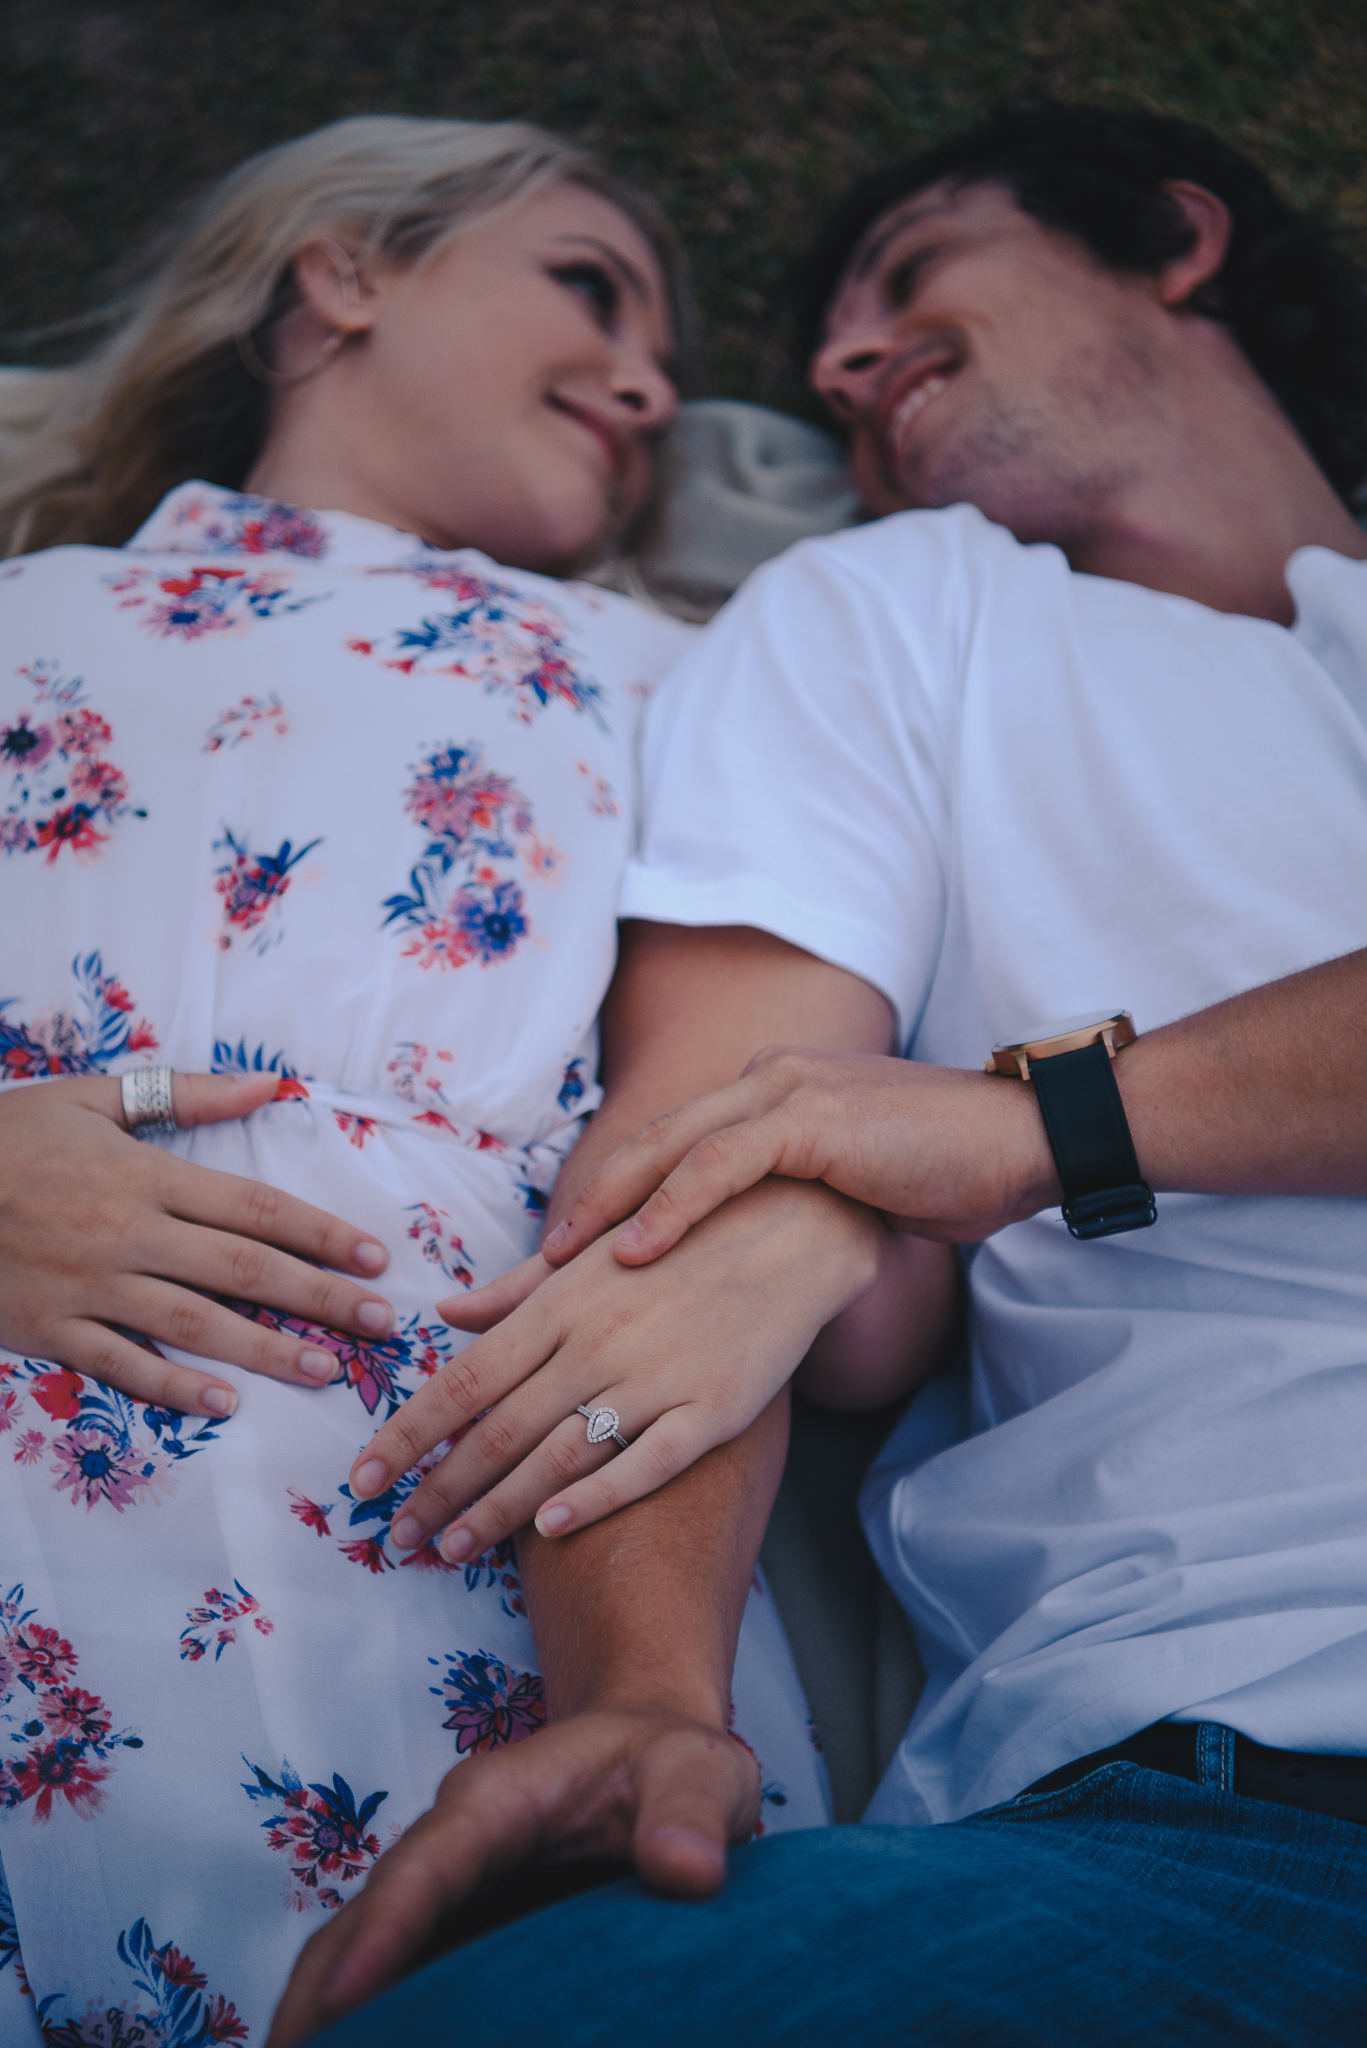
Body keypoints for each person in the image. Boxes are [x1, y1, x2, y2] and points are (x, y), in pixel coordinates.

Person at [270, 103, 1367, 2045]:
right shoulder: (903, 608)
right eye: (833, 353)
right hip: (1231, 1791)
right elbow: (701, 1172)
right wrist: (644, 1702)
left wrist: (1039, 1129)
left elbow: (872, 1143)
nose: (847, 366)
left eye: (917, 273)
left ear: (1179, 243)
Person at [0, 113, 890, 2044]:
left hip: (504, 1537)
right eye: (589, 287)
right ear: (344, 272)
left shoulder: (694, 665)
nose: (655, 384)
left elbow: (838, 1094)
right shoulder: (21, 615)